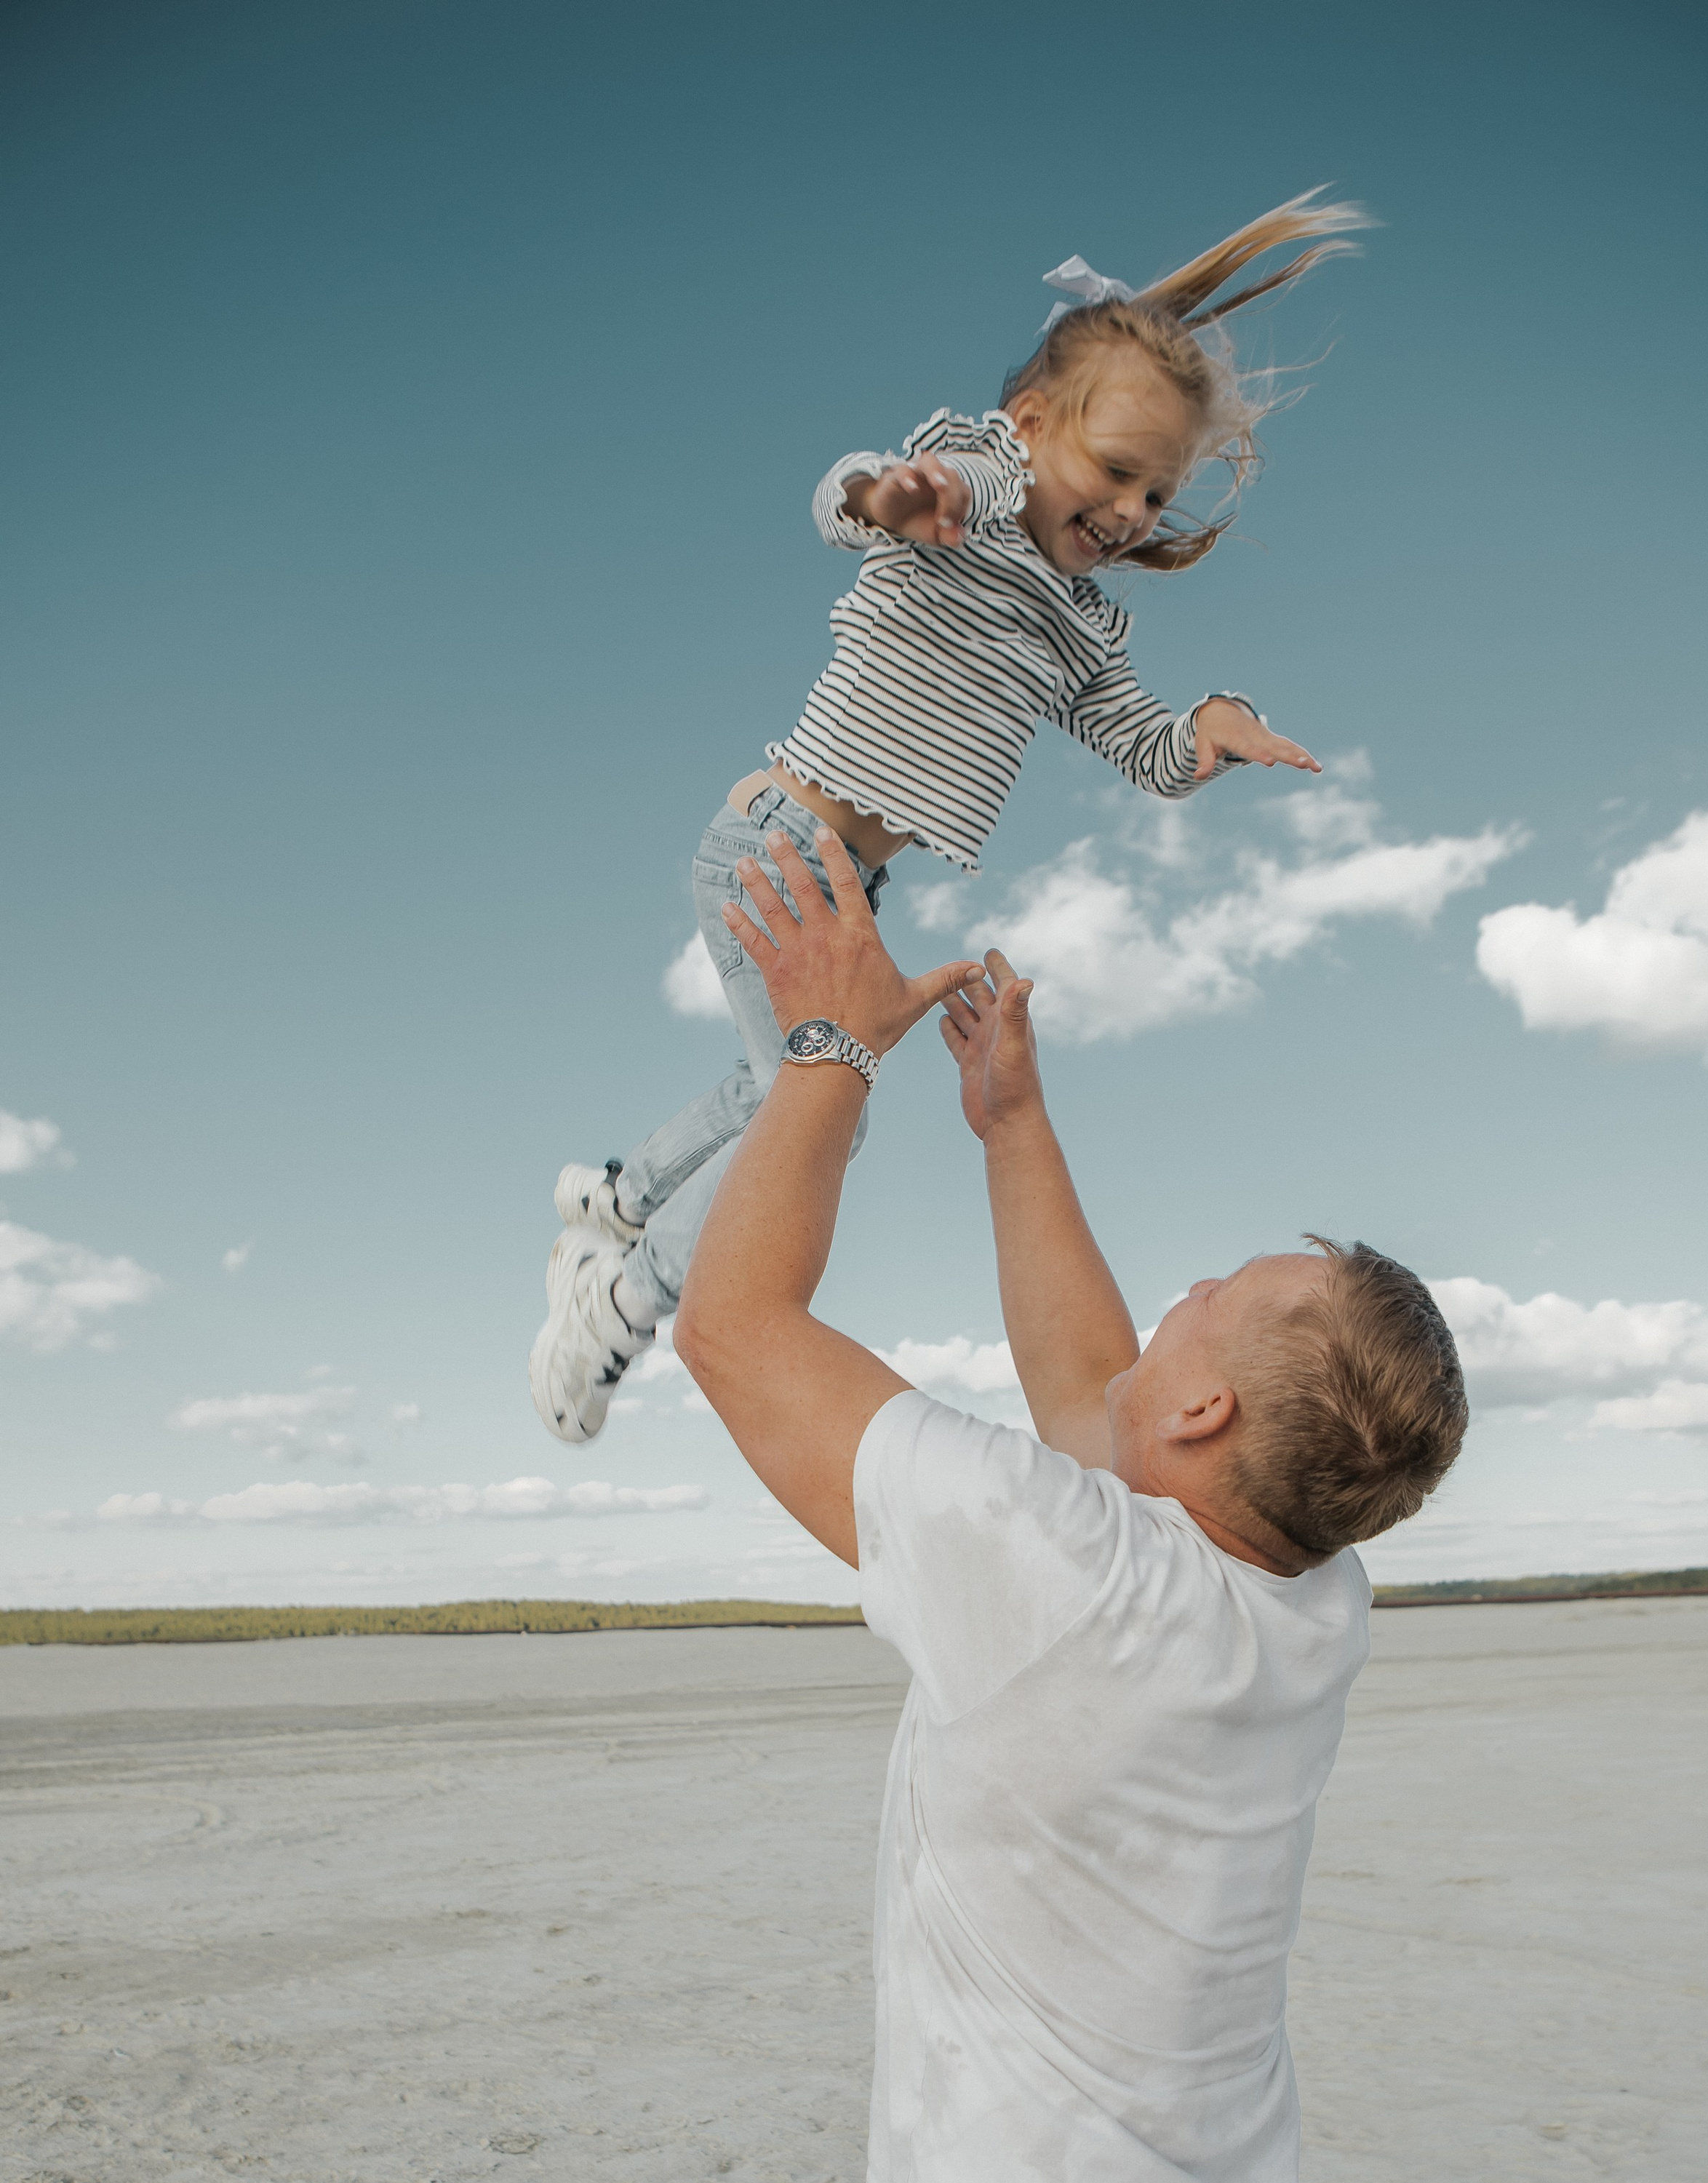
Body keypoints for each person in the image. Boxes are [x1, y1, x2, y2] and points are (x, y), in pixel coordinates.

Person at [673, 827, 1467, 2183]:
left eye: (1214, 1297)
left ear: (1206, 1425)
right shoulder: (1310, 1596)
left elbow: (734, 1332)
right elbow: (1097, 1381)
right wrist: (1012, 1120)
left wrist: (826, 1055)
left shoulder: (1076, 1576)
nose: (1175, 1300)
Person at [530, 188, 1370, 1444]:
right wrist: (890, 500)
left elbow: (1139, 745)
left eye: (1159, 494)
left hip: (840, 886)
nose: (1136, 512)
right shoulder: (965, 484)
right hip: (781, 844)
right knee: (828, 1104)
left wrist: (1211, 730)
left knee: (784, 1089)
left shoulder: (1083, 623)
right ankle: (623, 1294)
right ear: (1032, 427)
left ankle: (616, 1196)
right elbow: (841, 496)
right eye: (1116, 471)